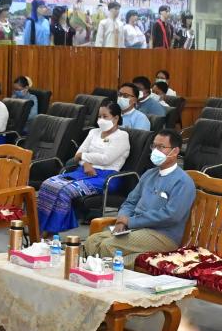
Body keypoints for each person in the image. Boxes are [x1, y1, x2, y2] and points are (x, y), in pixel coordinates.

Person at [83, 129, 195, 259]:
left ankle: (105, 272)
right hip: (135, 228)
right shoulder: (149, 174)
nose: (155, 151)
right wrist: (121, 220)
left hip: (162, 235)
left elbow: (171, 216)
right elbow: (130, 202)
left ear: (175, 151)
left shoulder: (183, 182)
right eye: (154, 146)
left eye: (161, 147)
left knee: (108, 246)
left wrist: (131, 221)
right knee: (92, 241)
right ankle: (90, 271)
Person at [37, 102, 132, 234]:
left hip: (107, 177)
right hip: (83, 170)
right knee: (48, 184)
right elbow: (78, 154)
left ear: (115, 118)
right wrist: (85, 163)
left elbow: (106, 159)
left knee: (65, 191)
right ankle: (40, 227)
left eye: (105, 116)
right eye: (99, 116)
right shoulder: (93, 132)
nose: (101, 120)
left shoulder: (122, 136)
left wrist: (84, 157)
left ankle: (52, 232)